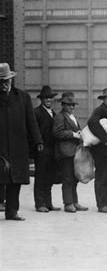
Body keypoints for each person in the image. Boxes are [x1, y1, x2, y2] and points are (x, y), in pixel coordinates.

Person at [0, 63, 43, 220]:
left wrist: (38, 140)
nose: (3, 85)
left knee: (15, 180)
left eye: (6, 81)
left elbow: (31, 121)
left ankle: (12, 212)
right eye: (0, 82)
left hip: (18, 146)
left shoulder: (22, 97)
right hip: (1, 146)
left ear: (11, 80)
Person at [52, 92, 88, 213]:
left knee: (74, 178)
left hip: (74, 152)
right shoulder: (60, 117)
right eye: (68, 105)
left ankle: (74, 201)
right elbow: (57, 133)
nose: (72, 107)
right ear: (63, 105)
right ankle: (68, 203)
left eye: (73, 105)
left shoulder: (73, 117)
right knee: (67, 178)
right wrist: (73, 134)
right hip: (65, 152)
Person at [33, 86, 61, 213]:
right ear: (41, 99)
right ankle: (39, 204)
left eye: (50, 98)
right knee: (40, 177)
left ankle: (48, 203)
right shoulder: (36, 113)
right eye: (46, 98)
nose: (49, 100)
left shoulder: (54, 114)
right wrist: (38, 144)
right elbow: (33, 131)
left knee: (49, 177)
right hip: (41, 149)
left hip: (52, 149)